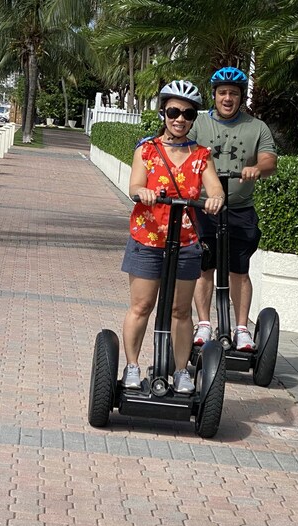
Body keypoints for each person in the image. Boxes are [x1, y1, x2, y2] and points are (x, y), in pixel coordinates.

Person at [121, 80, 225, 394]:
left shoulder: (201, 155)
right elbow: (134, 185)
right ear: (164, 111)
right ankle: (132, 367)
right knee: (142, 306)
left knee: (181, 311)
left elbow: (215, 186)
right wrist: (144, 192)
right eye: (174, 111)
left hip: (187, 242)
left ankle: (181, 371)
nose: (180, 118)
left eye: (188, 113)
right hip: (148, 239)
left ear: (194, 117)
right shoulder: (147, 150)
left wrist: (215, 198)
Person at [188, 66, 278, 351]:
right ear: (214, 95)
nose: (228, 98)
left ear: (241, 98)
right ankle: (203, 324)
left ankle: (241, 329)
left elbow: (270, 162)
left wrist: (256, 168)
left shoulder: (256, 127)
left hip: (240, 208)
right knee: (205, 266)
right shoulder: (198, 125)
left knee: (240, 269)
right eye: (223, 93)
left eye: (234, 94)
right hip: (203, 208)